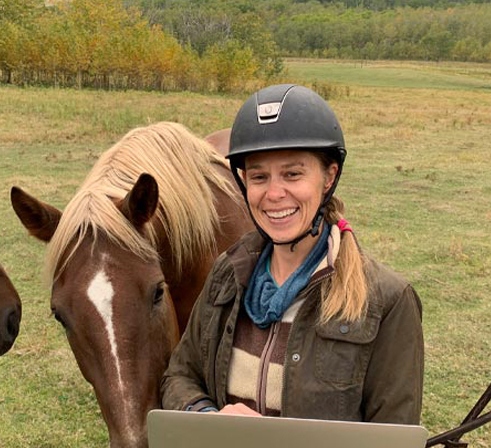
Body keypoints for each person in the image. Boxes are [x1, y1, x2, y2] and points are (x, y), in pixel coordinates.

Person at [160, 84, 423, 424]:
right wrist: (208, 415)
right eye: (259, 176)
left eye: (292, 174)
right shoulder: (227, 272)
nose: (273, 193)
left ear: (328, 177)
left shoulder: (387, 301)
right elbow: (179, 376)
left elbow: (391, 446)